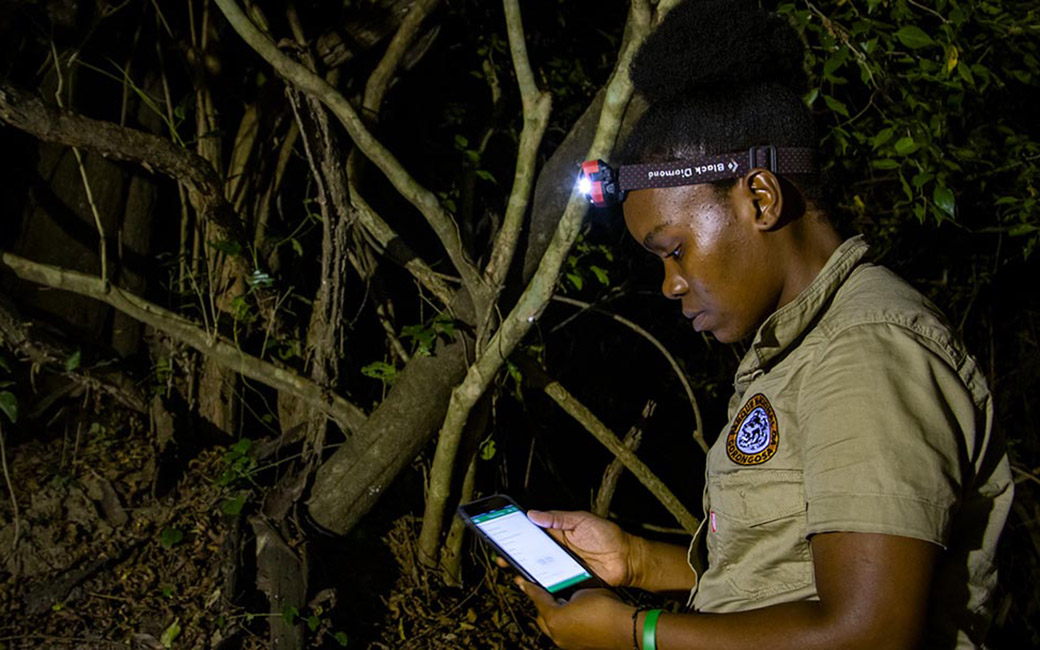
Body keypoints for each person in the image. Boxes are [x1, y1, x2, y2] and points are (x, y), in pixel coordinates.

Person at [505, 1, 1014, 648]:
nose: (671, 285)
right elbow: (778, 580)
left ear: (760, 198)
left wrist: (642, 635)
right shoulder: (794, 352)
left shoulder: (864, 351)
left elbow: (870, 631)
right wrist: (637, 562)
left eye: (674, 250)